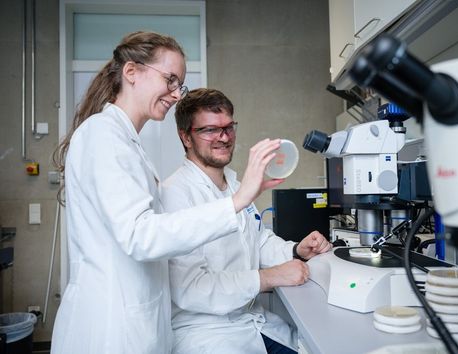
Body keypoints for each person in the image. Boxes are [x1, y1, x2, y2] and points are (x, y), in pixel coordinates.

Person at [51, 32, 283, 354]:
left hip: (141, 321)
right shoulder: (102, 134)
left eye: (179, 84)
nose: (176, 94)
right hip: (111, 328)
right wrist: (236, 202)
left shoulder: (130, 143)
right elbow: (139, 236)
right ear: (131, 72)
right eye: (170, 80)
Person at [161, 88, 332, 354]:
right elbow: (192, 288)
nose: (224, 137)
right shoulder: (174, 193)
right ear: (185, 137)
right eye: (210, 130)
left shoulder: (235, 186)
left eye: (229, 127)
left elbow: (258, 240)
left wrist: (296, 249)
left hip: (254, 323)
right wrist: (269, 277)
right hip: (207, 334)